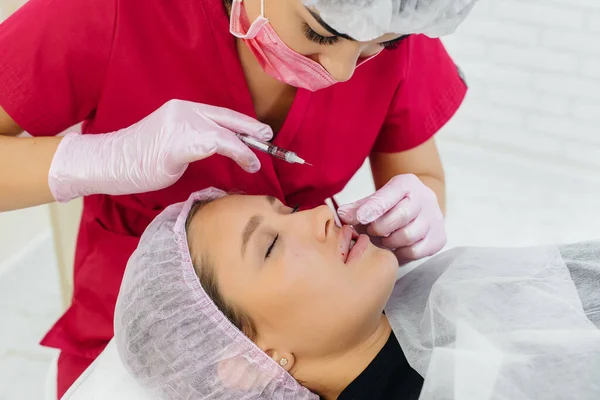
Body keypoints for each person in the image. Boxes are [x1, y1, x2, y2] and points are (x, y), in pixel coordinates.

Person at [0, 0, 476, 395]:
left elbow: (420, 172)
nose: (343, 72)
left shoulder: (389, 12)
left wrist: (416, 213)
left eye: (381, 45)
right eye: (322, 34)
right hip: (123, 343)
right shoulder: (113, 11)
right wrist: (101, 159)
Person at [114, 188, 600, 400]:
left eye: (289, 208)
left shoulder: (443, 292)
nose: (319, 216)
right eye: (271, 245)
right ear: (248, 361)